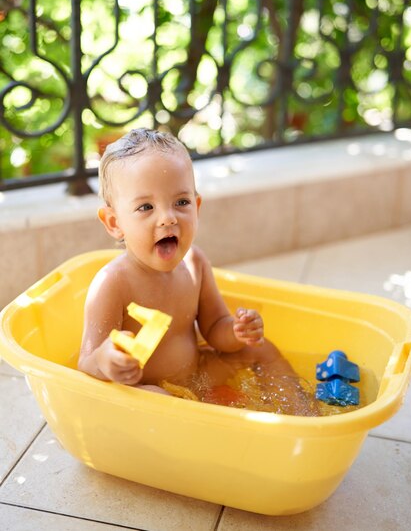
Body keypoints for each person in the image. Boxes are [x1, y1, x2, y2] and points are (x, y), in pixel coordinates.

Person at [78, 128, 317, 414]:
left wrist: (238, 332)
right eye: (145, 207)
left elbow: (215, 330)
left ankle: (300, 414)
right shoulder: (112, 283)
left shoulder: (195, 263)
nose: (168, 218)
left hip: (198, 374)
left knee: (260, 348)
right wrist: (106, 360)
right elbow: (86, 363)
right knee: (157, 399)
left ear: (197, 205)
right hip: (147, 388)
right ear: (115, 222)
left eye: (181, 202)